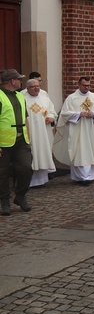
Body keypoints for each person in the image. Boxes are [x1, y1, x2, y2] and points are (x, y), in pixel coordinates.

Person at [54, 77, 94, 184]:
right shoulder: (72, 98)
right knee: (78, 152)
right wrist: (78, 114)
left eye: (88, 85)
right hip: (77, 131)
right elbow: (64, 113)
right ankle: (80, 177)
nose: (86, 87)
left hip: (90, 130)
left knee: (91, 150)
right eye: (84, 85)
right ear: (79, 84)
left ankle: (90, 176)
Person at [0, 69, 32, 215]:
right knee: (3, 173)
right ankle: (4, 201)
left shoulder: (20, 96)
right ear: (12, 81)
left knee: (26, 168)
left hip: (21, 141)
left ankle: (20, 196)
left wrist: (29, 138)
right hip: (3, 143)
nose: (21, 81)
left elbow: (25, 118)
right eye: (19, 79)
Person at [22, 78, 57, 188]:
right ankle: (30, 182)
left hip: (44, 133)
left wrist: (51, 117)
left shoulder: (44, 97)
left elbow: (52, 111)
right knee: (32, 154)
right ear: (27, 89)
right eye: (33, 86)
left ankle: (41, 180)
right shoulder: (22, 98)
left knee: (43, 152)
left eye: (38, 86)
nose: (37, 88)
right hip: (30, 133)